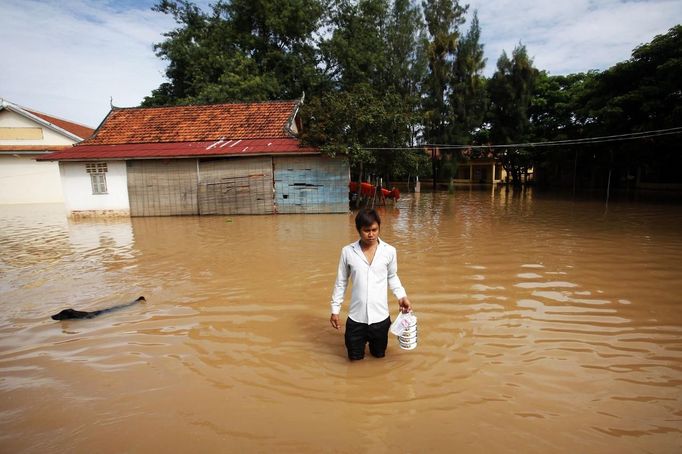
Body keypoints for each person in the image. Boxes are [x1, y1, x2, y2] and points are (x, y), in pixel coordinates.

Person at [330, 208, 411, 360]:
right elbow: (341, 282)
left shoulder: (389, 251)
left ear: (379, 228)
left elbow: (392, 276)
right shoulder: (347, 252)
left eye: (374, 230)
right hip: (356, 319)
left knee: (379, 357)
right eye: (366, 230)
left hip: (381, 319)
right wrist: (335, 310)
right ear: (358, 230)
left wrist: (401, 296)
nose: (371, 234)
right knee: (354, 359)